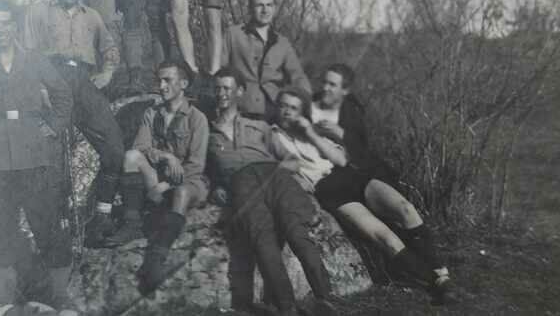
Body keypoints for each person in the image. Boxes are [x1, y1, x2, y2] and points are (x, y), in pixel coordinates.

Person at [279, 84, 453, 305]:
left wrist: (310, 133)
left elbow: (341, 159)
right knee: (384, 238)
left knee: (405, 209)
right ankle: (437, 284)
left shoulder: (313, 132)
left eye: (293, 108)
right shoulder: (273, 136)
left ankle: (442, 273)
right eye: (283, 106)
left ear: (301, 111)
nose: (287, 111)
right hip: (328, 190)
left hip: (350, 176)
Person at [0, 6, 76, 312]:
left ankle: (59, 295)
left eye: (5, 24)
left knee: (47, 225)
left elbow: (62, 95)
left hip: (32, 153)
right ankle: (3, 302)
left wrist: (53, 127)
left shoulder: (34, 59)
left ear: (14, 27)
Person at [207, 68, 338, 316]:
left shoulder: (259, 125)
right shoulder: (208, 131)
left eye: (226, 88)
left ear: (240, 92)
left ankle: (326, 300)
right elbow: (207, 171)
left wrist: (279, 173)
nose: (221, 93)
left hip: (274, 175)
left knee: (297, 233)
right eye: (217, 88)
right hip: (241, 182)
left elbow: (291, 160)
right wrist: (216, 187)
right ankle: (286, 307)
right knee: (262, 238)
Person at [22, 0, 126, 247]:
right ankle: (52, 234)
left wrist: (106, 74)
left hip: (83, 82)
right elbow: (28, 58)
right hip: (51, 81)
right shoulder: (38, 12)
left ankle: (101, 218)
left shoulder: (92, 16)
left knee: (115, 147)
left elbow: (110, 50)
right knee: (53, 161)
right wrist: (40, 89)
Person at [102, 61, 210, 293]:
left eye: (167, 80)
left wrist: (166, 183)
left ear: (183, 84)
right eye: (159, 80)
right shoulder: (152, 113)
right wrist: (165, 157)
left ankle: (155, 259)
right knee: (130, 156)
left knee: (181, 191)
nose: (161, 86)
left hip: (187, 183)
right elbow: (140, 147)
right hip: (157, 182)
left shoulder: (197, 118)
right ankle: (132, 224)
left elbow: (196, 165)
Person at [222, 0, 311, 120]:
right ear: (250, 9)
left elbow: (297, 75)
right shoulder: (233, 34)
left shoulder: (282, 42)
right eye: (259, 5)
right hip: (240, 109)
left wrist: (307, 103)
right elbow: (220, 70)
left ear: (274, 8)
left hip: (272, 112)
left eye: (269, 5)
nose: (265, 10)